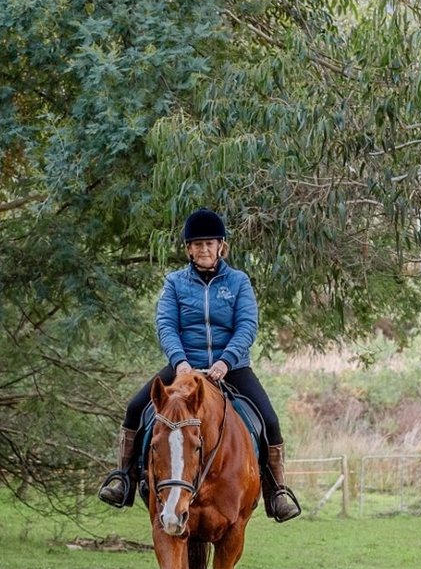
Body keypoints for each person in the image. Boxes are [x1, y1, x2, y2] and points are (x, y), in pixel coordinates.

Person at [98, 208, 301, 521]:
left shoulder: (238, 282)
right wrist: (180, 363)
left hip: (232, 368)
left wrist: (225, 361)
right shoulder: (175, 283)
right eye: (197, 244)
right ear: (188, 249)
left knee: (270, 421)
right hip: (185, 368)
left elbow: (246, 325)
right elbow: (166, 324)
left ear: (221, 246)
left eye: (210, 243)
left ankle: (277, 492)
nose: (204, 249)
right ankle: (124, 478)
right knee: (135, 407)